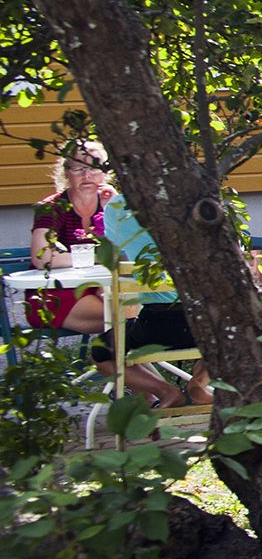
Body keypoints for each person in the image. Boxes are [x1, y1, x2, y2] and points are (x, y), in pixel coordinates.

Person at [24, 141, 208, 409]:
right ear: (66, 173)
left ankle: (149, 395)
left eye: (94, 168)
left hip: (107, 289)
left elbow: (129, 255)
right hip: (60, 293)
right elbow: (41, 257)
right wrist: (92, 257)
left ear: (106, 172)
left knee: (123, 315)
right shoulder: (52, 207)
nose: (87, 176)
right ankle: (157, 392)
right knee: (123, 315)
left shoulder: (114, 206)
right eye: (78, 169)